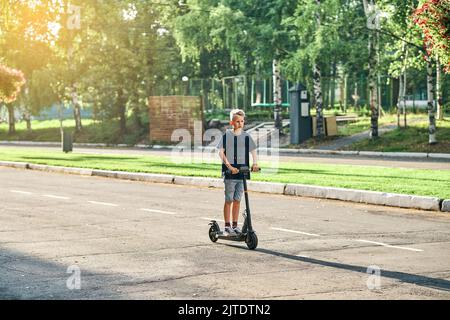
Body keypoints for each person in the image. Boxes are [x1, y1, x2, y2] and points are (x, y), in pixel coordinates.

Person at [216, 109, 259, 235]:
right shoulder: (227, 136)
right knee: (229, 199)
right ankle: (227, 226)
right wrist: (229, 167)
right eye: (237, 121)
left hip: (242, 172)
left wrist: (255, 163)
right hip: (230, 173)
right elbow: (221, 152)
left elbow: (253, 150)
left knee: (238, 199)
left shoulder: (246, 136)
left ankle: (235, 225)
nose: (240, 123)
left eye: (242, 121)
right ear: (231, 123)